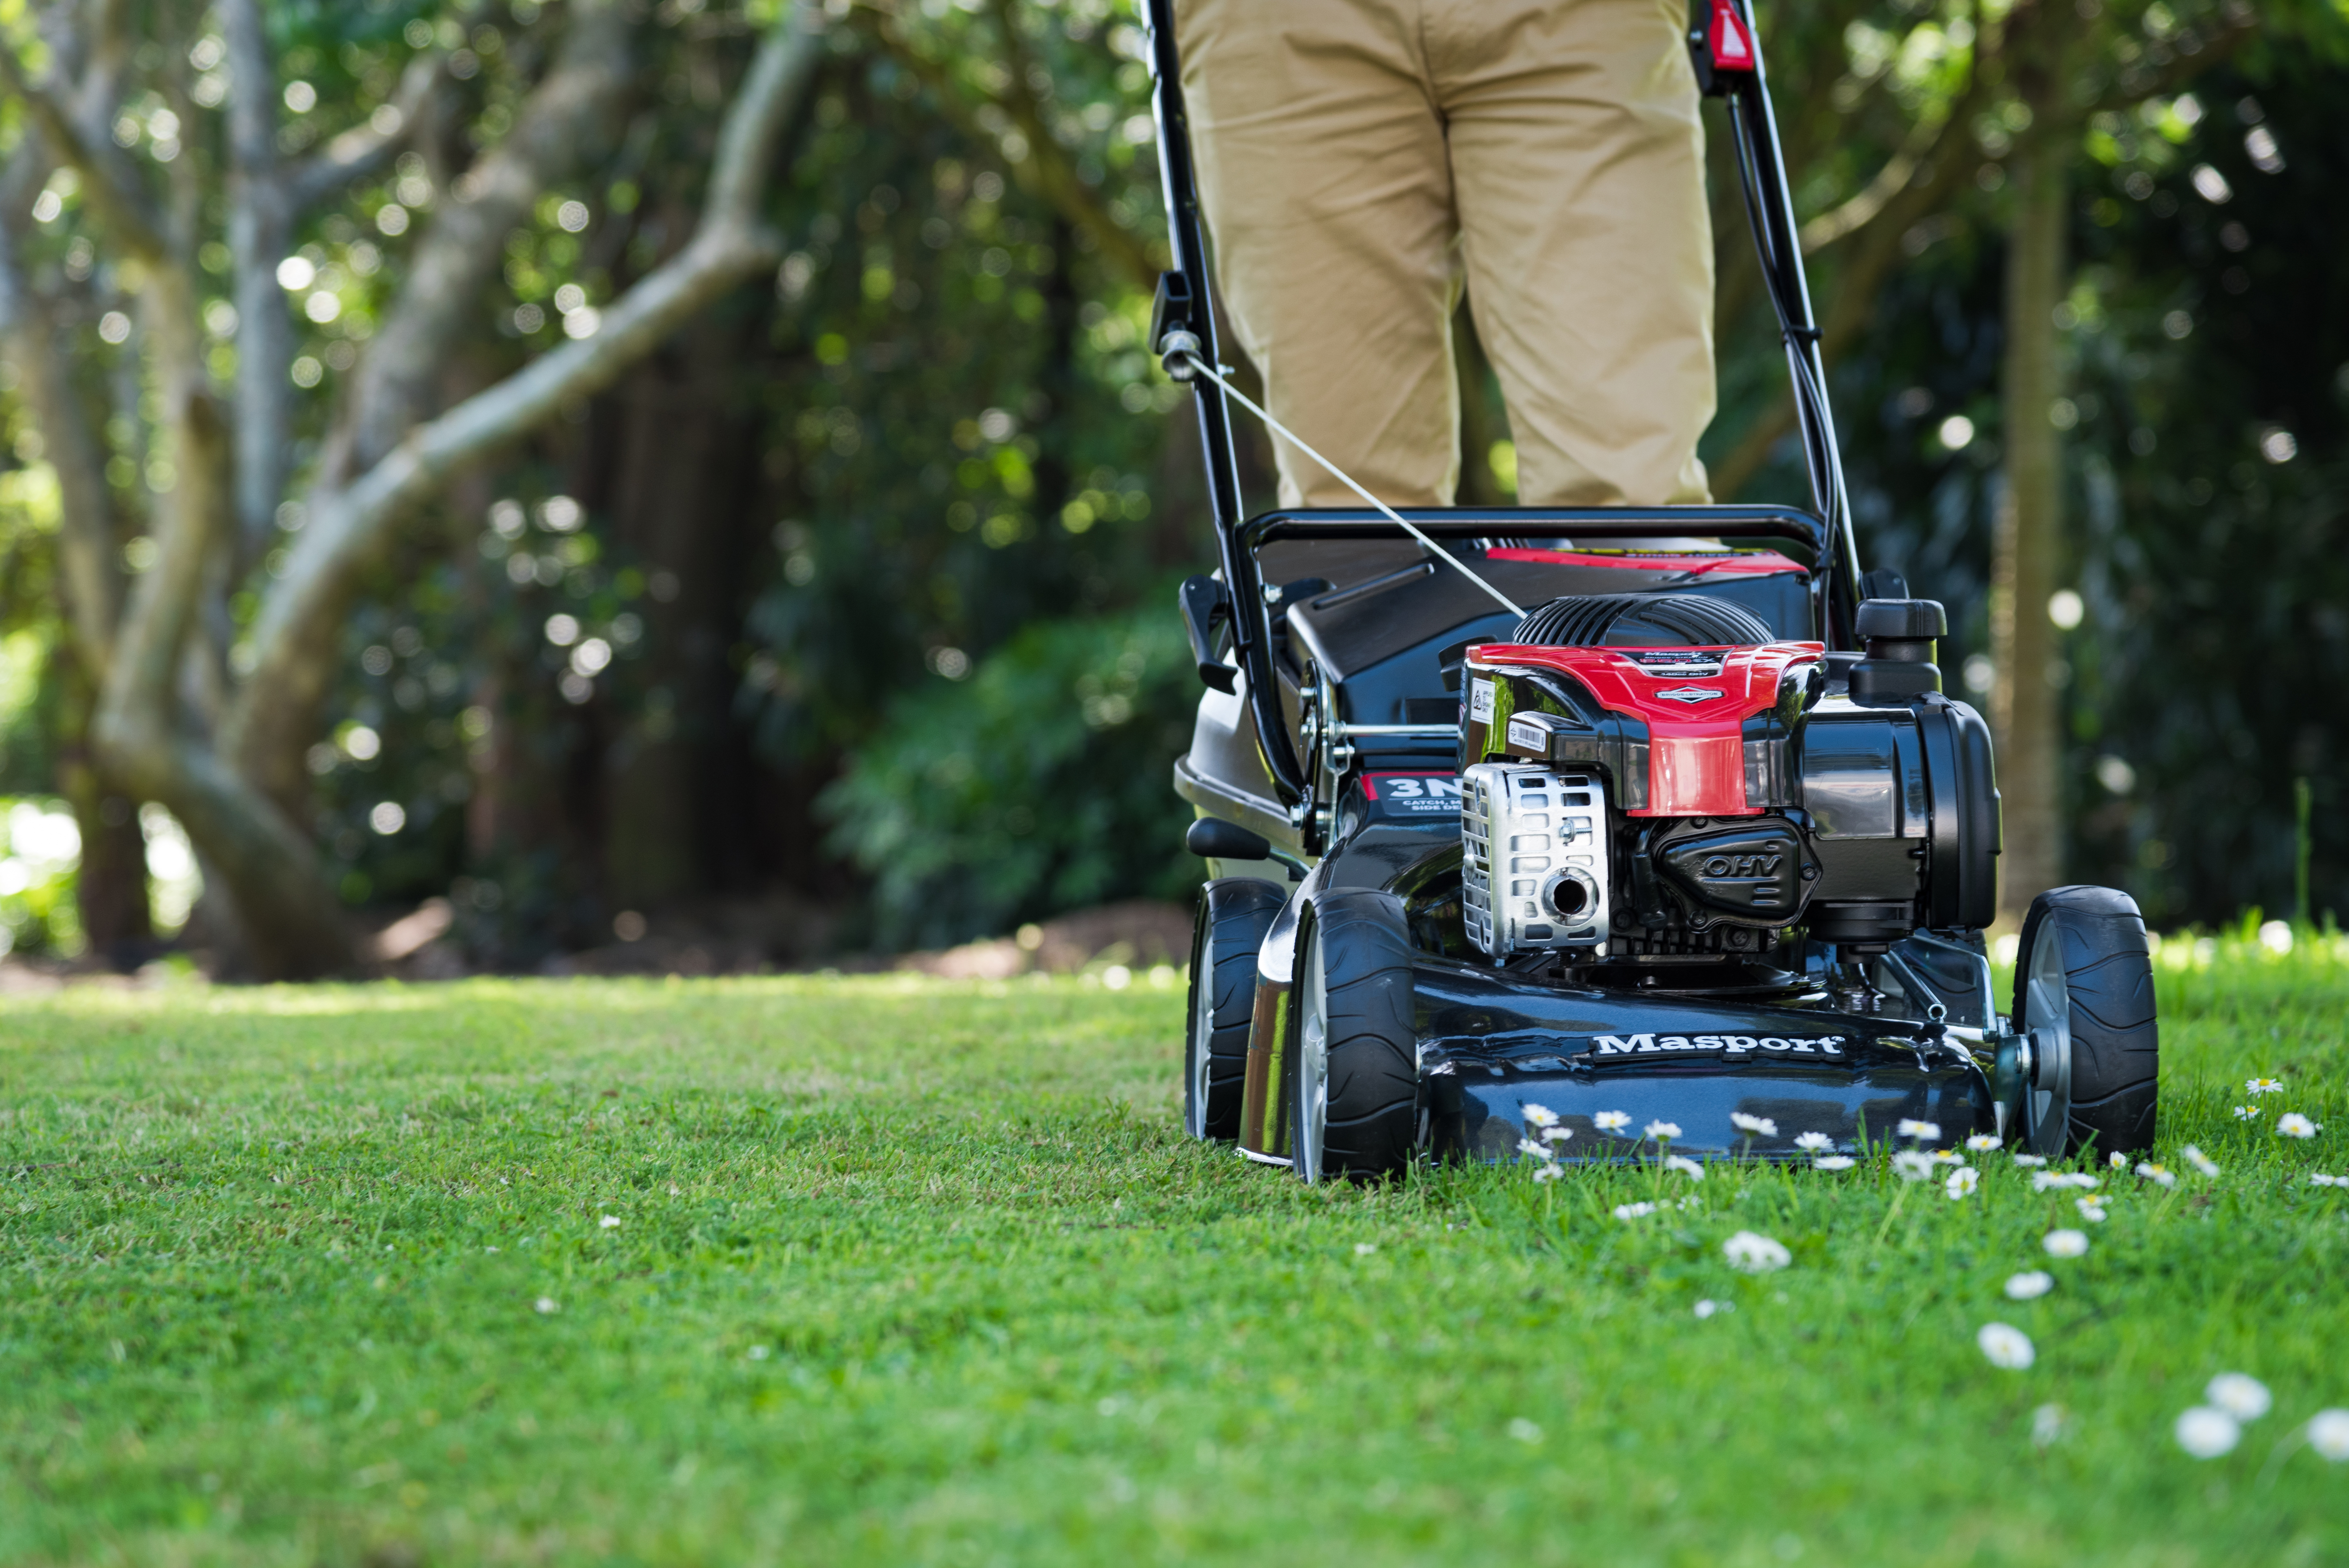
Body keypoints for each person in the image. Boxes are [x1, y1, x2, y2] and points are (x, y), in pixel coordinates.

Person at [1173, 0, 1716, 515]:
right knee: (1353, 519)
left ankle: (1643, 611)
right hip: (1277, 27)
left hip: (1583, 22)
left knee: (1633, 507)